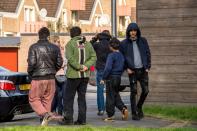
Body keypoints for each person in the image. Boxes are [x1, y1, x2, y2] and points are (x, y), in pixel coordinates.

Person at [27, 27, 63, 126]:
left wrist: (30, 74)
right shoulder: (55, 47)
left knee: (33, 99)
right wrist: (53, 71)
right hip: (51, 78)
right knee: (47, 101)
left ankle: (46, 115)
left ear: (39, 35)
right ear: (48, 36)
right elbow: (60, 62)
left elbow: (32, 63)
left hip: (37, 78)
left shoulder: (33, 47)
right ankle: (44, 124)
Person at [60, 26, 96, 125]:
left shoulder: (70, 44)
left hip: (73, 76)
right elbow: (94, 57)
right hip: (85, 76)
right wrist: (86, 66)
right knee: (82, 98)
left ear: (71, 34)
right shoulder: (87, 44)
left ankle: (68, 120)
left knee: (68, 98)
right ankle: (82, 120)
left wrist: (79, 67)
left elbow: (70, 59)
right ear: (80, 33)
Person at [120, 22, 151, 120]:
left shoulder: (143, 41)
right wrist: (127, 68)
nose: (133, 33)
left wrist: (148, 66)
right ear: (128, 32)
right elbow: (122, 58)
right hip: (132, 71)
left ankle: (139, 106)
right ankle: (134, 113)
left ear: (137, 32)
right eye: (131, 31)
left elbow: (148, 53)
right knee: (133, 92)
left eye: (135, 31)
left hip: (143, 70)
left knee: (146, 91)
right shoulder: (124, 43)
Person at [100, 38, 128, 121]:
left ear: (111, 46)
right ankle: (123, 108)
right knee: (115, 95)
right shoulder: (121, 55)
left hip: (111, 78)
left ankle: (110, 115)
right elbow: (124, 67)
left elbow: (108, 68)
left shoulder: (111, 55)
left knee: (110, 97)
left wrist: (103, 78)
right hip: (118, 78)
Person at [90, 30, 111, 116]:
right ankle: (109, 108)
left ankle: (101, 109)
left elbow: (88, 45)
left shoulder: (97, 45)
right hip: (110, 70)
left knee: (100, 90)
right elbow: (118, 45)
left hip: (101, 70)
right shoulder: (111, 44)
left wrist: (95, 38)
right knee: (110, 90)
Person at [50, 36, 67, 115]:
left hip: (58, 75)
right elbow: (65, 62)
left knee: (58, 95)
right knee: (60, 95)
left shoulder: (54, 51)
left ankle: (55, 111)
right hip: (61, 75)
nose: (58, 43)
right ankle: (57, 111)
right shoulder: (61, 51)